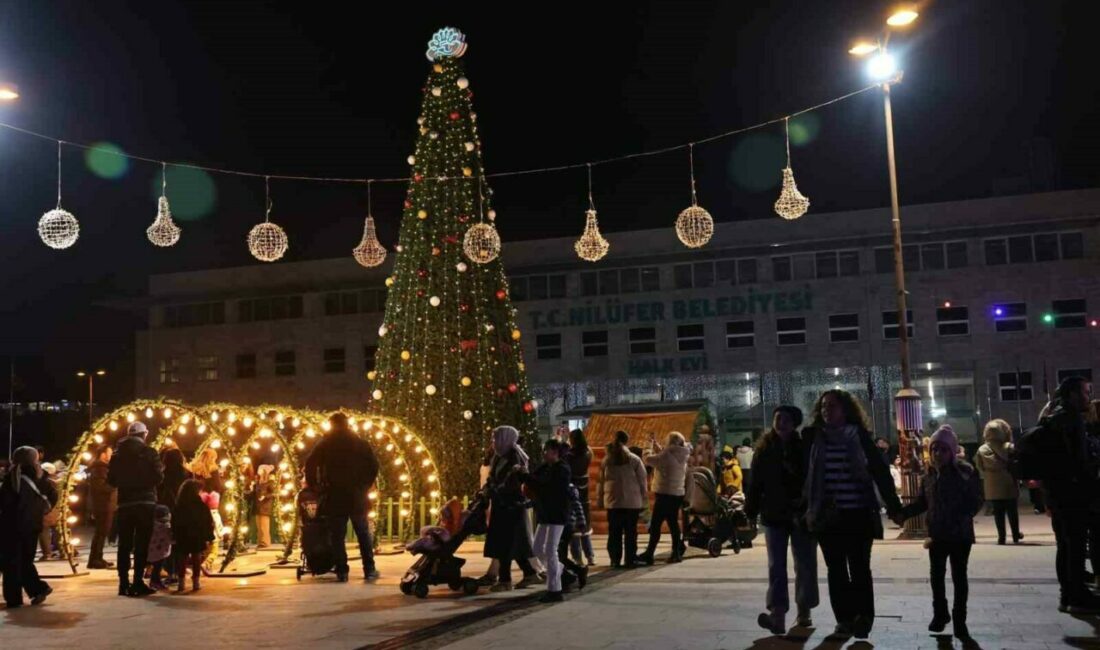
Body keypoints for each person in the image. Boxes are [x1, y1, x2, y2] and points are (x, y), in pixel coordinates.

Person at [802, 389, 901, 640]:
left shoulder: (860, 437)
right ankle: (844, 620)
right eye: (823, 406)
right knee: (835, 569)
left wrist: (894, 506)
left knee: (859, 568)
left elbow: (880, 472)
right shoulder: (813, 438)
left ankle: (864, 617)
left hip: (858, 513)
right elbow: (800, 475)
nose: (826, 410)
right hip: (826, 515)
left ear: (845, 409)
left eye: (832, 406)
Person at [894, 425, 984, 644]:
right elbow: (922, 503)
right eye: (934, 449)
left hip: (959, 535)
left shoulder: (964, 472)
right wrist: (903, 514)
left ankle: (959, 620)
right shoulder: (929, 475)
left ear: (951, 451)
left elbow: (976, 499)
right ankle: (940, 613)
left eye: (942, 450)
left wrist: (963, 515)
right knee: (936, 577)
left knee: (959, 577)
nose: (937, 454)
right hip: (936, 534)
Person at [746, 405, 817, 635]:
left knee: (804, 563)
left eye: (786, 419)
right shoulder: (764, 449)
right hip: (773, 514)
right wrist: (750, 511)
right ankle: (777, 615)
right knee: (776, 565)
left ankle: (804, 610)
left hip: (801, 514)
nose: (781, 423)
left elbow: (812, 476)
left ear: (795, 423)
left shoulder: (804, 447)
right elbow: (755, 484)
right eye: (778, 418)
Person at [1033, 377, 1100, 614]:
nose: (1088, 397)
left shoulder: (1052, 417)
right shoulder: (1071, 419)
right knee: (1076, 546)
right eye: (1085, 392)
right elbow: (1079, 461)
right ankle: (1077, 597)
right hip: (1073, 494)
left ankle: (1067, 595)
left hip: (1056, 493)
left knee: (1065, 545)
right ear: (1072, 394)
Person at [304, 412, 380, 582]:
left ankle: (342, 571)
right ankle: (369, 569)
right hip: (356, 495)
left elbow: (310, 462)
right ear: (347, 424)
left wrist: (314, 485)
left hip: (334, 494)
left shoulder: (326, 443)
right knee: (363, 533)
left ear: (332, 425)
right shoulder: (360, 443)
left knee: (337, 536)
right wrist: (364, 485)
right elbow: (374, 466)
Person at [108, 420, 164, 597]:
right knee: (142, 544)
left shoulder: (116, 455)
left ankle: (123, 583)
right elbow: (158, 477)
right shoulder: (149, 452)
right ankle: (138, 581)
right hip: (145, 502)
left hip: (124, 503)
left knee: (124, 545)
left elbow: (111, 480)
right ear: (144, 435)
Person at [1, 446, 57, 607]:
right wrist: (41, 510)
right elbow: (52, 496)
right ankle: (38, 589)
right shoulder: (42, 477)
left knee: (11, 562)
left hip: (12, 525)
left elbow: (6, 501)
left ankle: (15, 598)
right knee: (25, 560)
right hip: (32, 525)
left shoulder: (13, 477)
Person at [518, 439, 573, 603]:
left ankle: (555, 590)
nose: (544, 453)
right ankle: (562, 573)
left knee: (550, 550)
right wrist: (524, 475)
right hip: (544, 513)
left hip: (557, 513)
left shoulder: (562, 469)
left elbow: (546, 486)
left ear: (555, 452)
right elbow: (535, 480)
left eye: (546, 450)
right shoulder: (545, 467)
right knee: (536, 548)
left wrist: (526, 477)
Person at [482, 425, 529, 591]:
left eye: (495, 438)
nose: (493, 442)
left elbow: (513, 482)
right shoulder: (499, 456)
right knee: (510, 543)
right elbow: (492, 478)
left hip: (510, 506)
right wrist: (485, 491)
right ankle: (530, 573)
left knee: (506, 543)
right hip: (500, 505)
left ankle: (505, 580)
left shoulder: (514, 457)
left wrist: (497, 489)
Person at [597, 430, 648, 569]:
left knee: (614, 533)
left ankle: (615, 560)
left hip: (613, 503)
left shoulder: (607, 460)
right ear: (627, 441)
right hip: (632, 503)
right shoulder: (634, 459)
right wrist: (643, 497)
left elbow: (600, 482)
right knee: (631, 533)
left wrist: (600, 499)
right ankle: (630, 559)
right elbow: (642, 481)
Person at [638, 431, 691, 565]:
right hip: (677, 494)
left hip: (664, 494)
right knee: (673, 523)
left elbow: (648, 459)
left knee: (656, 525)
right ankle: (676, 552)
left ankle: (650, 554)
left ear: (671, 442)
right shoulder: (682, 454)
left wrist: (648, 445)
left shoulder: (667, 455)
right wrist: (658, 446)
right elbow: (666, 458)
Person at [973, 419, 1023, 545]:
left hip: (992, 487)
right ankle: (1016, 534)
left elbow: (979, 467)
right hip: (1009, 485)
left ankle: (1001, 537)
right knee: (1012, 511)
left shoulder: (982, 449)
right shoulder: (1008, 447)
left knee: (998, 513)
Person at [151, 447, 191, 586]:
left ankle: (168, 571)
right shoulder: (187, 474)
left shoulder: (161, 475)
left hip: (165, 511)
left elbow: (156, 493)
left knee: (165, 543)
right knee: (180, 542)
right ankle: (178, 572)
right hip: (182, 510)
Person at [172, 479, 216, 593]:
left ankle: (181, 583)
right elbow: (207, 521)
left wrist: (174, 535)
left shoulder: (179, 505)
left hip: (182, 534)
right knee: (196, 557)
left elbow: (174, 521)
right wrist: (209, 536)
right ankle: (196, 582)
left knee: (182, 558)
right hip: (197, 534)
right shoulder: (200, 505)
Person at [566, 429, 596, 567]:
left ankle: (578, 558)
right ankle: (590, 556)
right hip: (584, 495)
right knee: (585, 527)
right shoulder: (588, 453)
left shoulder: (570, 456)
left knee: (574, 530)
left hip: (572, 493)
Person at [87, 444, 118, 569]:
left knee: (102, 532)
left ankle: (98, 558)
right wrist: (115, 484)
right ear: (103, 454)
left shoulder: (103, 468)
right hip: (103, 505)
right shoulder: (99, 468)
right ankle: (94, 560)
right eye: (109, 453)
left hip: (107, 505)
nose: (111, 455)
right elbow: (101, 486)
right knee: (101, 532)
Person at [253, 465, 276, 548]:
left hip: (265, 506)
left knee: (264, 525)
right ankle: (260, 541)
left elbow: (273, 493)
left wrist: (265, 496)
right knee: (259, 525)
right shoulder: (258, 483)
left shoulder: (270, 483)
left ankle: (265, 542)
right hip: (258, 506)